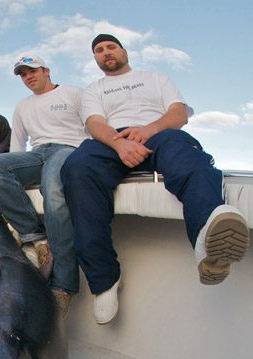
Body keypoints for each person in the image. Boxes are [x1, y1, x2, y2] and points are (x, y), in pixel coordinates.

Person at [61, 34, 250, 324]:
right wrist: (121, 144)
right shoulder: (93, 90)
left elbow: (177, 114)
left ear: (124, 51)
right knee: (76, 168)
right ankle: (104, 281)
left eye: (111, 47)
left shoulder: (156, 78)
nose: (106, 52)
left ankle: (206, 246)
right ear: (96, 60)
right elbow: (95, 123)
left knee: (186, 156)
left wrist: (148, 130)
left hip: (159, 133)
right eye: (99, 51)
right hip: (114, 140)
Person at [0, 55, 87, 318]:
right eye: (23, 74)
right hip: (37, 154)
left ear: (46, 71)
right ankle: (35, 237)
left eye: (32, 71)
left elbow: (91, 127)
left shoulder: (73, 93)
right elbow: (18, 144)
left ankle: (64, 285)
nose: (28, 77)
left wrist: (86, 159)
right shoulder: (23, 106)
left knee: (52, 190)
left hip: (69, 150)